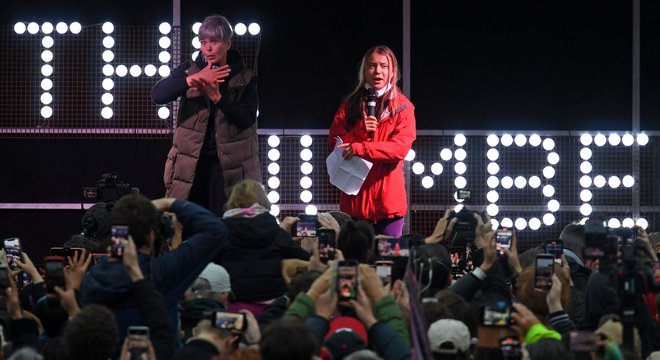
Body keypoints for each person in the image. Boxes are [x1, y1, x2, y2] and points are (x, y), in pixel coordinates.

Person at [151, 14, 260, 216]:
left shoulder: (244, 77)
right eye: (203, 42)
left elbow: (247, 119)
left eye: (214, 42)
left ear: (228, 43)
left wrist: (219, 98)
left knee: (228, 228)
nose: (208, 48)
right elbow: (158, 94)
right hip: (191, 164)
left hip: (228, 168)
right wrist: (193, 79)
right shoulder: (189, 69)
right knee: (188, 226)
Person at [328, 45, 416, 237]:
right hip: (354, 207)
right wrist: (360, 130)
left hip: (388, 208)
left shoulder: (404, 108)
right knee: (355, 265)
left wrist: (361, 148)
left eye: (384, 66)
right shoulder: (349, 105)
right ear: (364, 71)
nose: (378, 71)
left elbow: (399, 150)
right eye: (372, 66)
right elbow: (334, 143)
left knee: (387, 265)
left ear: (393, 72)